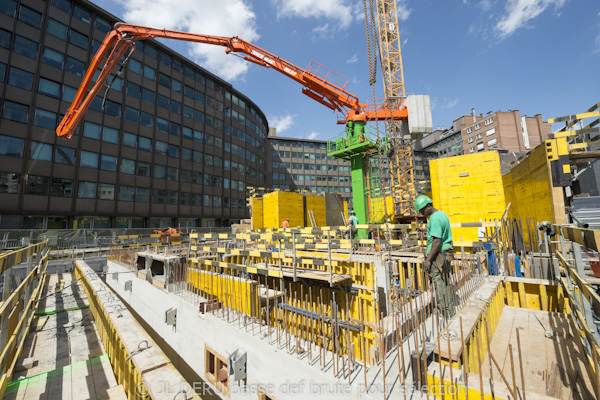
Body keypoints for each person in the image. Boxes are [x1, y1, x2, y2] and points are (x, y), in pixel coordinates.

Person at [415, 195, 455, 320]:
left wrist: (428, 260)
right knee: (445, 282)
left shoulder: (434, 218)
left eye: (422, 211)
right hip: (445, 253)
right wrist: (424, 230)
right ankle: (450, 311)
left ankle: (446, 313)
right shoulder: (441, 214)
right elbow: (437, 232)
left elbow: (437, 241)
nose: (422, 214)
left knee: (440, 284)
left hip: (438, 256)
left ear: (428, 206)